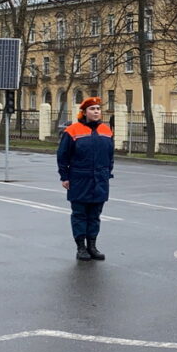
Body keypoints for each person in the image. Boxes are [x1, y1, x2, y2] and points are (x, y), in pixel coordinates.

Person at [57, 97, 115, 261]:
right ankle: (81, 247)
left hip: (100, 180)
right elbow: (63, 155)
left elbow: (110, 156)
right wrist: (64, 176)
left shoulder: (106, 131)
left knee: (95, 215)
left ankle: (92, 246)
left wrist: (107, 172)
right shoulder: (72, 131)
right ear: (84, 112)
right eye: (92, 109)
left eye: (98, 109)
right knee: (80, 215)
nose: (96, 111)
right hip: (80, 179)